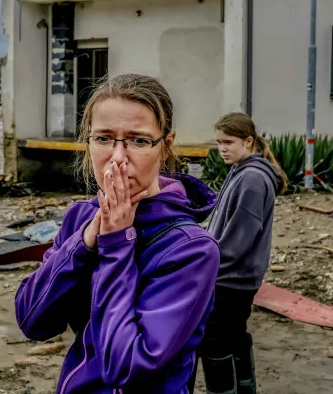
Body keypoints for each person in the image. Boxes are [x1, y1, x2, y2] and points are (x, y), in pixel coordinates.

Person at [15, 73, 221, 393]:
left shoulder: (191, 249)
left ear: (165, 147)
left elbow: (126, 367)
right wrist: (83, 244)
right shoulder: (80, 219)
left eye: (138, 140)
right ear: (89, 143)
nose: (118, 158)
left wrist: (116, 245)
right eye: (104, 138)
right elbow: (32, 319)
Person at [189, 112, 287, 394]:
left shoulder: (252, 179)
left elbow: (238, 242)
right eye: (219, 142)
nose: (222, 148)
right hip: (237, 278)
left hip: (231, 279)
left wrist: (205, 267)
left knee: (214, 341)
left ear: (248, 141)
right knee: (234, 338)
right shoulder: (242, 171)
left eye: (229, 142)